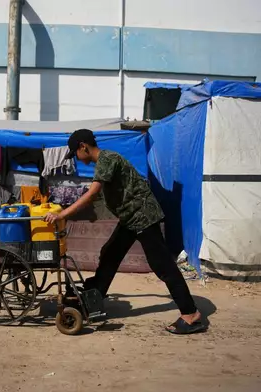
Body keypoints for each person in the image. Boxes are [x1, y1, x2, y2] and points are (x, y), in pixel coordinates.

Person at [44, 128, 207, 335]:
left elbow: (93, 193)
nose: (76, 158)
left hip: (143, 216)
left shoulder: (107, 159)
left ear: (83, 147)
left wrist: (62, 215)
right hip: (130, 218)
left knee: (162, 265)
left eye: (75, 153)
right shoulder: (104, 162)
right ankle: (93, 297)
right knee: (110, 253)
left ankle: (191, 315)